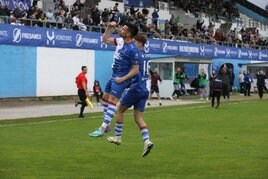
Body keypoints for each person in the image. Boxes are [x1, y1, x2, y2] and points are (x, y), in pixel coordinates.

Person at [89, 21, 139, 137]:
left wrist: (123, 79)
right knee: (104, 98)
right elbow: (105, 40)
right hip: (114, 74)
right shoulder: (120, 41)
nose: (121, 29)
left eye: (124, 29)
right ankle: (107, 126)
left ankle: (102, 128)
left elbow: (135, 69)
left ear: (128, 33)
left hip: (122, 77)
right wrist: (108, 28)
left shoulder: (132, 49)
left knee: (112, 100)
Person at [107, 34, 153, 157]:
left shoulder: (136, 54)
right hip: (144, 89)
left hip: (136, 88)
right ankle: (147, 141)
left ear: (140, 43)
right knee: (138, 118)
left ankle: (117, 137)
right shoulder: (147, 55)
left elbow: (134, 70)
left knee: (120, 110)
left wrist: (122, 79)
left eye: (135, 41)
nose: (133, 43)